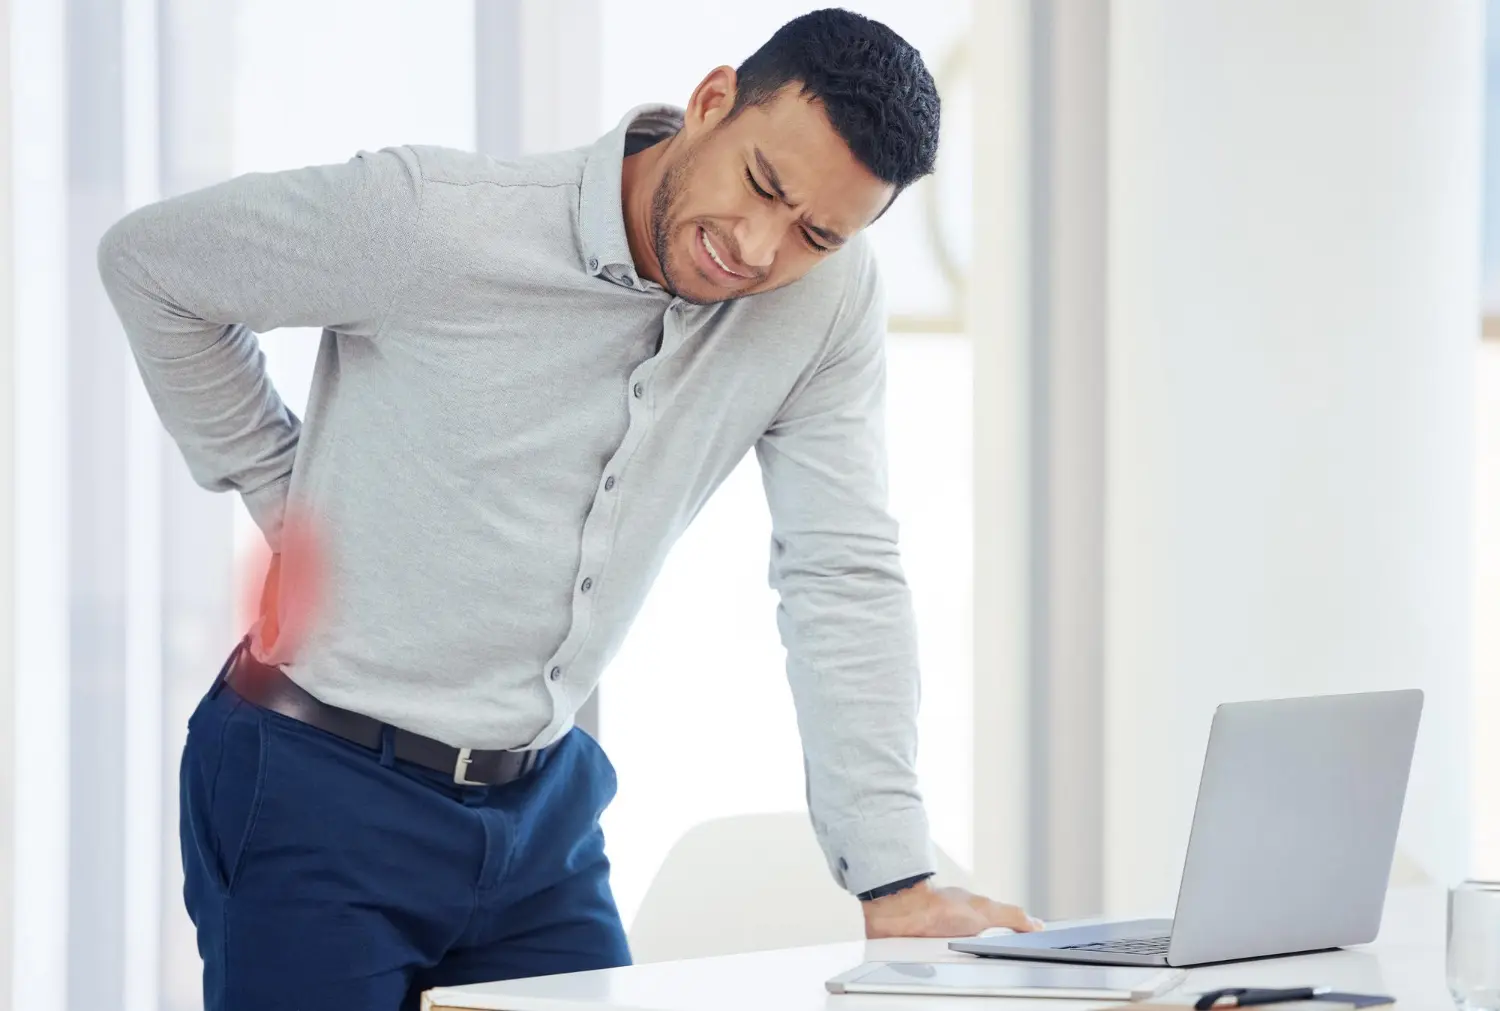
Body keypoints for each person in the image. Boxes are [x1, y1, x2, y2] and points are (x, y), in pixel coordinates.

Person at [99, 8, 1040, 1011]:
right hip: (317, 785)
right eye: (762, 183)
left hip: (541, 815)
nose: (758, 249)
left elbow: (840, 568)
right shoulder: (431, 219)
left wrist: (894, 880)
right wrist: (292, 500)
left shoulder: (826, 302)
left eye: (815, 232)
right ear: (713, 99)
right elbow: (153, 266)